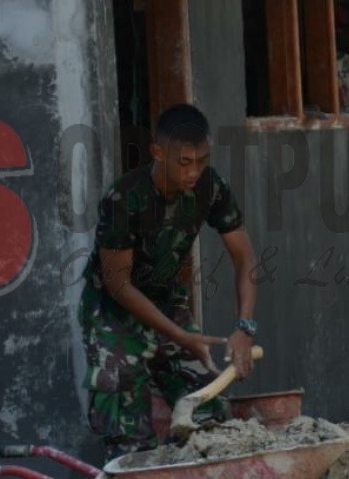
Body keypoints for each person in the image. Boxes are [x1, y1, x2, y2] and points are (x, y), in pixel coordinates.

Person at [79, 104, 260, 459]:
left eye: (202, 160)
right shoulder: (124, 199)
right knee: (128, 436)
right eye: (184, 162)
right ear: (158, 153)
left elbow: (245, 257)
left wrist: (245, 327)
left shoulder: (210, 187)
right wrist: (180, 336)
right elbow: (118, 285)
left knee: (208, 416)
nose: (194, 172)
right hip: (113, 315)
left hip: (166, 303)